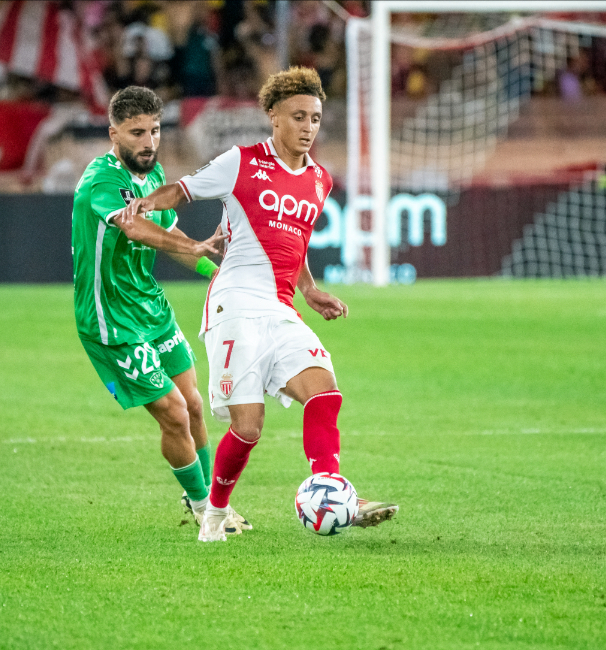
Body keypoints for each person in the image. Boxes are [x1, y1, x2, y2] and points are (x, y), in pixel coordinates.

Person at [120, 67, 398, 542]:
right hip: (234, 305)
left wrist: (309, 290)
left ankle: (331, 489)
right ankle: (214, 513)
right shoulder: (241, 161)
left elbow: (296, 241)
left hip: (281, 308)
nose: (308, 127)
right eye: (298, 116)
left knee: (326, 394)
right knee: (248, 427)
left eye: (315, 118)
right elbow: (183, 190)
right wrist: (145, 205)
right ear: (273, 117)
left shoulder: (319, 180)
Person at [71, 86, 250, 533]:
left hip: (151, 307)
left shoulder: (154, 177)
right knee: (171, 411)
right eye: (136, 133)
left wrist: (216, 272)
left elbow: (174, 243)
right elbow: (137, 230)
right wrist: (194, 242)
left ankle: (217, 505)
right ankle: (203, 506)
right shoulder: (102, 181)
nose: (148, 142)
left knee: (192, 404)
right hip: (112, 319)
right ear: (114, 133)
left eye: (154, 131)